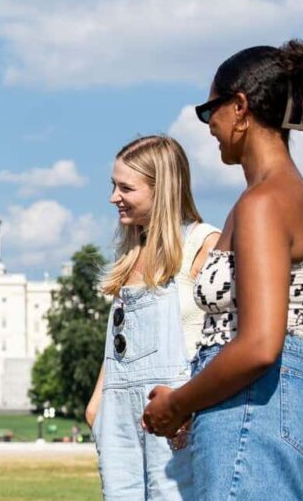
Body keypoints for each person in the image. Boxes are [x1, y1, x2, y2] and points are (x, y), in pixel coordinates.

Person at [142, 39, 303, 499]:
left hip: (257, 406)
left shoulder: (263, 203)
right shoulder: (300, 197)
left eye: (208, 111)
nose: (209, 126)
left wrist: (177, 403)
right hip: (295, 400)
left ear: (239, 108)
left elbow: (258, 345)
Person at [86, 135, 219, 499]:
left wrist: (190, 404)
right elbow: (121, 342)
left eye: (126, 188)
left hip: (174, 412)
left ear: (162, 190)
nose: (113, 197)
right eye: (113, 185)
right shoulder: (130, 251)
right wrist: (97, 406)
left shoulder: (202, 243)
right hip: (118, 420)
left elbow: (226, 336)